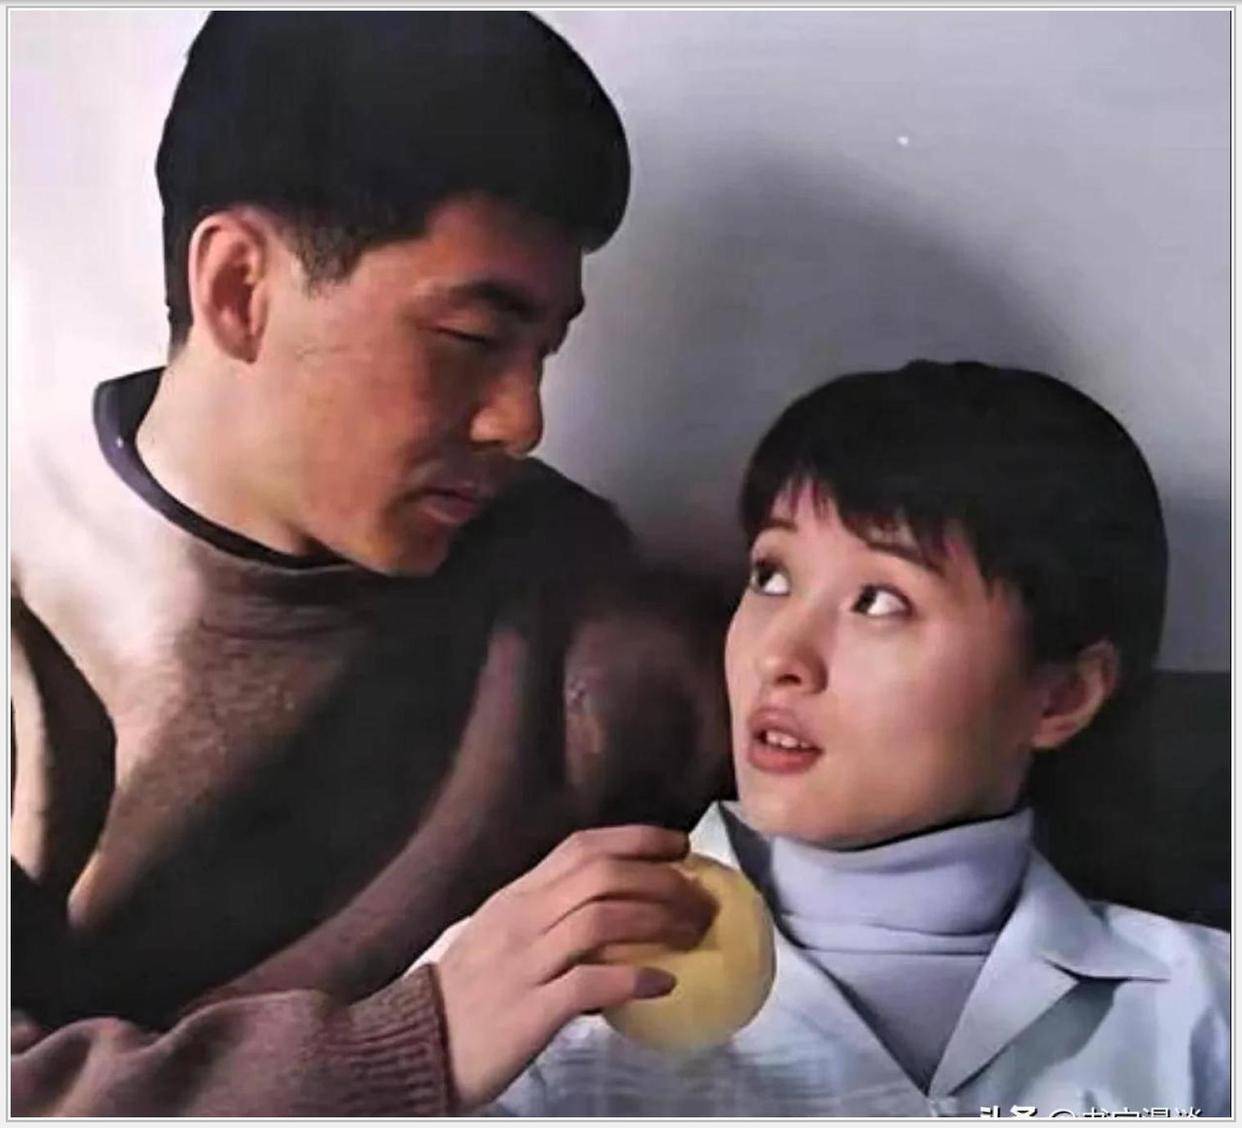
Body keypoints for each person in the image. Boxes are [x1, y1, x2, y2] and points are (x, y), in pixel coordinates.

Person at [11, 12, 725, 1116]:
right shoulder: (27, 614)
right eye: (472, 340)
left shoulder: (572, 582)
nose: (523, 420)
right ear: (240, 288)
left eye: (546, 351)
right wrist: (419, 1042)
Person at [478, 360, 1230, 1116]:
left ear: (1062, 696)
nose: (780, 656)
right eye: (771, 577)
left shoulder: (1206, 1013)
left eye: (878, 602)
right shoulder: (538, 980)